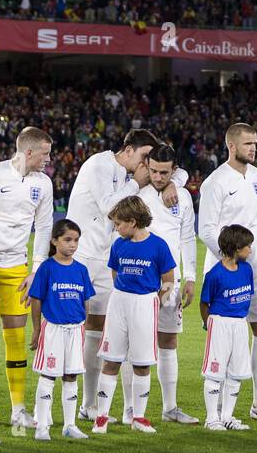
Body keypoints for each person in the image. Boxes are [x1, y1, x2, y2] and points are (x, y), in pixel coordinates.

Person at [67, 129, 182, 424]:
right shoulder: (98, 164)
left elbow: (169, 170)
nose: (147, 164)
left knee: (118, 335)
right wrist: (136, 182)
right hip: (83, 258)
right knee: (86, 333)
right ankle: (88, 404)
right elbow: (110, 207)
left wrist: (175, 183)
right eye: (144, 156)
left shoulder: (133, 175)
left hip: (110, 258)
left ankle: (128, 409)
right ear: (129, 149)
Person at [196, 123, 257, 423]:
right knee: (224, 339)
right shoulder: (215, 182)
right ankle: (217, 412)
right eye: (248, 144)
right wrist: (229, 257)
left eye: (255, 144)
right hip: (225, 269)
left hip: (255, 266)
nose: (253, 149)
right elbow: (206, 229)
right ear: (231, 146)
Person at [0, 127, 55, 429]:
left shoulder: (44, 184)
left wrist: (35, 269)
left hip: (17, 267)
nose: (48, 159)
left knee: (17, 337)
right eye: (45, 153)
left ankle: (18, 409)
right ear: (29, 152)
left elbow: (44, 227)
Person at [94, 196, 175, 434]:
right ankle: (101, 417)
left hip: (145, 303)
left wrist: (157, 300)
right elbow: (114, 273)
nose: (116, 228)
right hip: (119, 302)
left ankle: (138, 417)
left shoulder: (159, 246)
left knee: (142, 363)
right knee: (111, 360)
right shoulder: (118, 244)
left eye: (119, 223)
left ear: (132, 221)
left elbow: (168, 280)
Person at [136, 145, 199, 425]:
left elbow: (187, 238)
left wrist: (190, 276)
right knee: (134, 345)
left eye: (165, 172)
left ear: (173, 170)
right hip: (139, 279)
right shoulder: (136, 193)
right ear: (146, 167)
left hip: (170, 281)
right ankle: (131, 411)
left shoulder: (182, 197)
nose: (159, 177)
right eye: (154, 171)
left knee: (169, 341)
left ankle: (170, 408)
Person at [28, 219, 95, 441]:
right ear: (55, 241)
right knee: (48, 375)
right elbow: (36, 299)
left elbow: (85, 301)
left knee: (71, 376)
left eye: (76, 240)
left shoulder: (81, 270)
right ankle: (42, 427)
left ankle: (70, 424)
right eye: (67, 240)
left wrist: (83, 324)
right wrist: (37, 329)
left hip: (76, 329)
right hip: (53, 329)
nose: (72, 245)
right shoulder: (47, 268)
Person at [199, 224, 256, 432]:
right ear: (235, 247)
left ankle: (227, 417)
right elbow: (204, 303)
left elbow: (247, 297)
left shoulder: (246, 269)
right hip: (220, 323)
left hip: (240, 324)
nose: (250, 249)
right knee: (215, 373)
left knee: (236, 373)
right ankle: (211, 418)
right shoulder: (215, 274)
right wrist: (209, 324)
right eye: (247, 246)